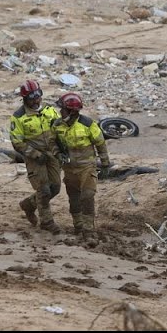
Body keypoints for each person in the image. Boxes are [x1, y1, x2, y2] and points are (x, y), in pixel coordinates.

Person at [50, 92, 110, 246]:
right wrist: (58, 154)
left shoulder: (88, 124)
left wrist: (105, 164)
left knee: (87, 196)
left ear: (71, 111)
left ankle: (89, 231)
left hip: (86, 167)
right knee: (74, 198)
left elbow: (100, 143)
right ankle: (78, 226)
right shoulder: (57, 125)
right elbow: (52, 144)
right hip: (69, 168)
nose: (59, 112)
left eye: (62, 109)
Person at [10, 79, 63, 234]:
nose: (36, 100)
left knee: (55, 187)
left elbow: (59, 130)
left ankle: (28, 204)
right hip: (34, 156)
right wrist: (34, 154)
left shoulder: (49, 110)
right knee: (44, 189)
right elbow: (16, 141)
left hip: (52, 154)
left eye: (38, 95)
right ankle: (47, 222)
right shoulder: (18, 117)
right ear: (25, 99)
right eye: (31, 97)